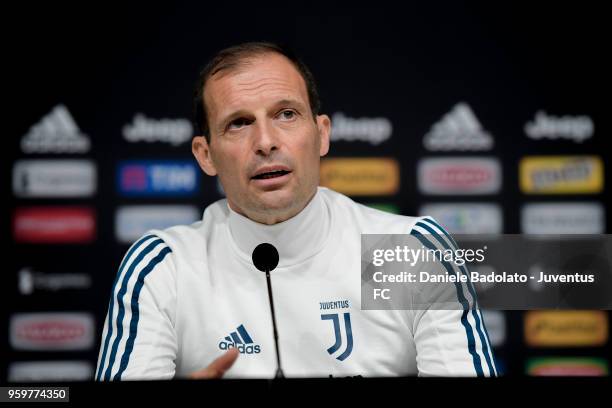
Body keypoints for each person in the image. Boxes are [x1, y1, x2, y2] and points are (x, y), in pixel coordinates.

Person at [95, 42, 497, 380]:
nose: (266, 141)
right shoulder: (164, 267)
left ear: (321, 134)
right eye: (238, 123)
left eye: (286, 114)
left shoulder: (407, 251)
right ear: (205, 154)